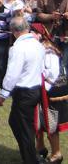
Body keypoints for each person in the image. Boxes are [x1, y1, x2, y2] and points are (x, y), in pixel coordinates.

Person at [0, 17, 45, 164]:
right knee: (16, 122)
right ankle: (30, 155)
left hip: (25, 92)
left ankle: (31, 159)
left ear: (13, 31)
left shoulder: (18, 48)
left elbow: (13, 73)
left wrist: (3, 94)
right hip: (35, 89)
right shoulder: (37, 44)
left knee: (23, 127)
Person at [32, 23, 68, 164]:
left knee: (51, 122)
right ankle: (40, 148)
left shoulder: (48, 50)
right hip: (41, 90)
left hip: (51, 91)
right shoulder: (38, 48)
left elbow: (52, 73)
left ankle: (56, 153)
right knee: (38, 120)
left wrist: (37, 74)